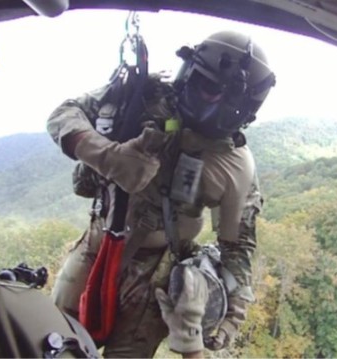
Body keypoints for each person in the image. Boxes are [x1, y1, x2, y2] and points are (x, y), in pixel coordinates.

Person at [46, 30, 275, 358]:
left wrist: (234, 311)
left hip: (156, 277)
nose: (209, 101)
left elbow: (237, 245)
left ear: (244, 107)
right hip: (95, 250)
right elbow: (63, 114)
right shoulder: (141, 97)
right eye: (206, 85)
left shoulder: (235, 164)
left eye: (224, 97)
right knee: (52, 344)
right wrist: (108, 155)